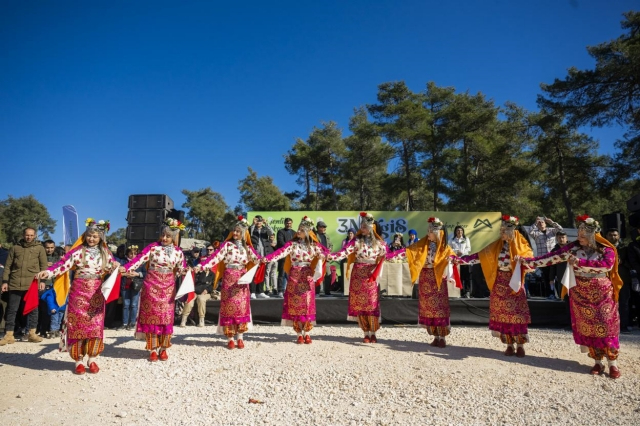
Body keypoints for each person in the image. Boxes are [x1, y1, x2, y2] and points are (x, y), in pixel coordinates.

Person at [522, 215, 623, 379]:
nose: (579, 238)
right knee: (588, 326)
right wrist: (528, 262)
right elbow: (550, 258)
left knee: (606, 325)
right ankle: (597, 361)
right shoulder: (572, 248)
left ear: (592, 234)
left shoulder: (607, 249)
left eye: (583, 236)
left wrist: (580, 263)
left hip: (602, 293)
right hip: (580, 293)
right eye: (578, 235)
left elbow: (607, 265)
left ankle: (613, 363)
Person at [37, 219, 118, 374]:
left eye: (95, 236)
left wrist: (116, 267)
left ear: (101, 237)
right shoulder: (77, 251)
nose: (92, 239)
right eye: (89, 236)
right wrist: (48, 272)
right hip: (78, 293)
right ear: (85, 235)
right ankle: (78, 360)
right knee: (77, 326)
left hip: (96, 293)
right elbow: (62, 265)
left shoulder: (106, 253)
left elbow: (111, 268)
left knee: (95, 326)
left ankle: (92, 358)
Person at [457, 215, 533, 357]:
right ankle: (509, 344)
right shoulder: (497, 245)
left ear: (512, 230)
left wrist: (522, 260)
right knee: (503, 315)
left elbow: (530, 259)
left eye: (504, 230)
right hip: (500, 284)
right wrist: (458, 260)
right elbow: (479, 255)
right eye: (501, 230)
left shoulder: (522, 244)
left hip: (514, 283)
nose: (501, 232)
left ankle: (520, 344)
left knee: (517, 315)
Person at [122, 218, 187, 362]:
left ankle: (163, 348)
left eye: (168, 236)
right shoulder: (152, 248)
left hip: (169, 288)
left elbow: (181, 268)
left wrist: (187, 270)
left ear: (174, 236)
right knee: (152, 317)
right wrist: (126, 268)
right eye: (163, 235)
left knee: (165, 317)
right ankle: (152, 349)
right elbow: (138, 259)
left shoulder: (178, 252)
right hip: (151, 286)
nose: (164, 238)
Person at [389, 217, 456, 347]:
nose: (428, 233)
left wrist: (453, 259)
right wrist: (390, 255)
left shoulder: (445, 247)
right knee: (428, 308)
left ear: (437, 232)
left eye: (430, 231)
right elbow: (408, 252)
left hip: (438, 279)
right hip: (425, 278)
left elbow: (453, 257)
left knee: (439, 307)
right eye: (428, 230)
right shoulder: (422, 245)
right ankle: (435, 335)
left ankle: (442, 336)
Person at [197, 216, 260, 349]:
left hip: (243, 280)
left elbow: (257, 259)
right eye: (234, 231)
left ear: (244, 233)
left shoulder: (247, 247)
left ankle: (240, 337)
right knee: (229, 307)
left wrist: (266, 260)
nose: (235, 233)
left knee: (241, 308)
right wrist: (202, 266)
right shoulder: (227, 245)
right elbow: (215, 258)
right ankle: (230, 337)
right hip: (229, 278)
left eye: (238, 231)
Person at [262, 216, 327, 343]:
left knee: (307, 303)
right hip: (294, 275)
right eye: (298, 229)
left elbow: (325, 253)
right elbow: (280, 252)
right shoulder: (292, 245)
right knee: (296, 303)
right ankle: (298, 333)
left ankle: (307, 332)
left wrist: (322, 256)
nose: (298, 232)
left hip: (307, 275)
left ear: (308, 231)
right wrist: (268, 258)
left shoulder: (314, 245)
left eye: (301, 230)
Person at [327, 212, 388, 343]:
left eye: (365, 226)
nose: (362, 228)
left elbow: (388, 255)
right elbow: (343, 253)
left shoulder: (379, 243)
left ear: (371, 227)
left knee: (372, 303)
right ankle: (366, 332)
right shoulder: (356, 241)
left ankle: (373, 332)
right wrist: (328, 256)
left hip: (371, 275)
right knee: (361, 303)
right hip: (358, 274)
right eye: (361, 225)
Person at [0, 228, 48, 346]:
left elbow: (44, 266)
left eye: (31, 235)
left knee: (33, 309)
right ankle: (9, 335)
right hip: (15, 282)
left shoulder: (40, 248)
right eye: (27, 235)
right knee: (12, 309)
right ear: (23, 235)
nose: (29, 237)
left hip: (32, 283)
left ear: (35, 236)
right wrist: (5, 281)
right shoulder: (15, 248)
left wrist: (43, 281)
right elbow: (7, 267)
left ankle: (32, 333)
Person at [529, 216, 563, 298]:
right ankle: (550, 294)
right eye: (539, 223)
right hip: (543, 260)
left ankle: (560, 294)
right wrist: (535, 222)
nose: (541, 223)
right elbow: (530, 231)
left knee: (557, 277)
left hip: (553, 258)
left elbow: (560, 229)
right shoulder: (536, 233)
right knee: (547, 278)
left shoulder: (551, 231)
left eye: (542, 222)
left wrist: (551, 222)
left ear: (546, 224)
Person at [606, 228, 632, 333]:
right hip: (607, 280)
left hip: (622, 280)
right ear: (606, 237)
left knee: (624, 303)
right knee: (608, 303)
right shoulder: (603, 248)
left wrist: (621, 262)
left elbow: (632, 263)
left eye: (615, 235)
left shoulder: (625, 248)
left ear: (619, 237)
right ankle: (609, 325)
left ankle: (623, 325)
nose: (613, 237)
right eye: (610, 235)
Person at [120, 247, 145, 331]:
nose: (133, 255)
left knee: (134, 305)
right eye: (131, 253)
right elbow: (118, 271)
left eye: (135, 254)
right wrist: (123, 274)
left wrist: (137, 274)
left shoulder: (140, 263)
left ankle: (132, 323)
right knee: (126, 305)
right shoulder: (123, 262)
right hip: (125, 285)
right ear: (127, 254)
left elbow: (145, 273)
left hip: (136, 286)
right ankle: (124, 323)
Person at [249, 215, 273, 299]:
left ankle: (260, 291)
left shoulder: (265, 229)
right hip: (254, 255)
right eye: (257, 221)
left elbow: (271, 234)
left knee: (262, 273)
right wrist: (253, 224)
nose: (259, 222)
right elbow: (249, 234)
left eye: (260, 221)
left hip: (264, 255)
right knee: (253, 274)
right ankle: (252, 292)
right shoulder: (252, 229)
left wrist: (266, 224)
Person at [449, 226, 472, 298]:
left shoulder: (466, 239)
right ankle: (461, 292)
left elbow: (469, 248)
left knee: (466, 276)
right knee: (459, 276)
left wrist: (462, 252)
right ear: (455, 232)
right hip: (456, 260)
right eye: (458, 230)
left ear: (463, 231)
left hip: (464, 259)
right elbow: (449, 248)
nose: (459, 232)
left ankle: (467, 291)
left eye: (461, 230)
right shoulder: (452, 240)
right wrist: (456, 252)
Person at [276, 218, 295, 298]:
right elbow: (281, 242)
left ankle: (291, 290)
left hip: (293, 256)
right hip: (283, 255)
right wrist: (288, 248)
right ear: (284, 223)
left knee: (292, 274)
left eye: (290, 223)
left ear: (292, 223)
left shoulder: (294, 232)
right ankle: (280, 290)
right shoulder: (281, 232)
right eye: (287, 223)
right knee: (282, 273)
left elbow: (296, 242)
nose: (288, 224)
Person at [316, 221, 333, 296]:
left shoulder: (327, 235)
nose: (324, 228)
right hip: (318, 258)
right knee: (317, 274)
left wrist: (330, 250)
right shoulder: (314, 235)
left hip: (326, 258)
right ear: (318, 227)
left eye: (325, 227)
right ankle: (317, 291)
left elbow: (331, 245)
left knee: (328, 274)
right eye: (322, 227)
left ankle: (327, 291)